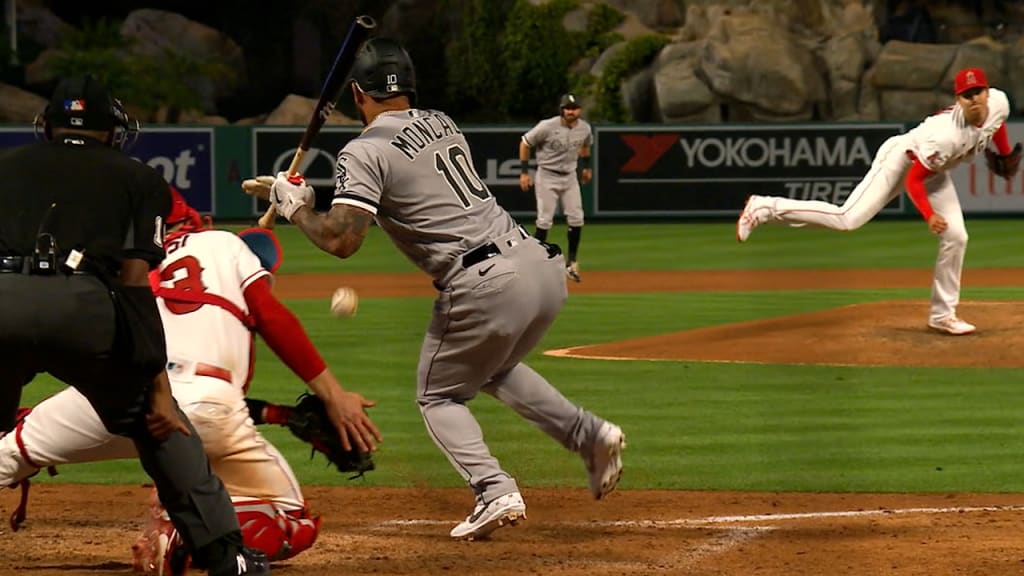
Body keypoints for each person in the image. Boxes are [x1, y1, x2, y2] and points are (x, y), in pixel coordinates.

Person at [261, 37, 625, 540]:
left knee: (438, 397)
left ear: (357, 95)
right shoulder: (442, 122)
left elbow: (342, 239)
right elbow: (407, 186)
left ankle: (493, 488)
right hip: (538, 266)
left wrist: (295, 206)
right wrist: (304, 199)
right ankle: (590, 436)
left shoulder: (362, 149)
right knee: (493, 369)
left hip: (484, 283)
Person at [0, 188, 382, 572]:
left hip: (109, 399)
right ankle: (184, 534)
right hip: (208, 406)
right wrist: (332, 394)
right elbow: (271, 318)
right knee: (291, 523)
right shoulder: (224, 244)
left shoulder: (118, 262)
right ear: (198, 221)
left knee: (8, 453)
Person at [0, 75, 269, 575]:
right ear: (112, 129)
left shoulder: (5, 166)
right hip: (84, 309)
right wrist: (159, 388)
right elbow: (134, 283)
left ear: (48, 125)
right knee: (161, 427)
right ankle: (225, 555)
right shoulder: (139, 177)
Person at [737, 67, 1018, 336]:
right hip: (901, 162)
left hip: (935, 170)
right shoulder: (946, 136)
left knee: (957, 236)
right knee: (847, 218)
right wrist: (929, 215)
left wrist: (1004, 154)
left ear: (986, 92)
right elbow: (913, 181)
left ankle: (942, 316)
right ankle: (764, 207)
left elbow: (995, 126)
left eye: (978, 91)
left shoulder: (999, 102)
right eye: (967, 94)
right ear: (958, 100)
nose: (974, 98)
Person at [518, 92, 593, 282]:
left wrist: (586, 168)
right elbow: (525, 143)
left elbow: (585, 146)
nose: (571, 112)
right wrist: (525, 172)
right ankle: (534, 264)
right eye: (567, 108)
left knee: (577, 218)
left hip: (569, 176)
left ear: (579, 110)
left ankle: (572, 263)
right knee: (544, 220)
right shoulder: (547, 126)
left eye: (574, 108)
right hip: (547, 176)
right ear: (561, 110)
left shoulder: (584, 128)